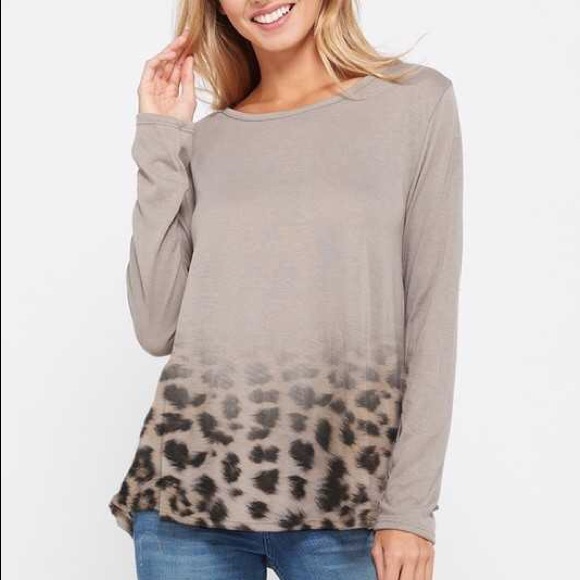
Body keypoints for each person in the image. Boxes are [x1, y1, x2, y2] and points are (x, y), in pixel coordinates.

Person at [108, 1, 464, 579]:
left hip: (350, 494)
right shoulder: (208, 140)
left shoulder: (414, 103)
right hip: (188, 494)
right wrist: (161, 138)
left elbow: (432, 317)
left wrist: (410, 509)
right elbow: (155, 326)